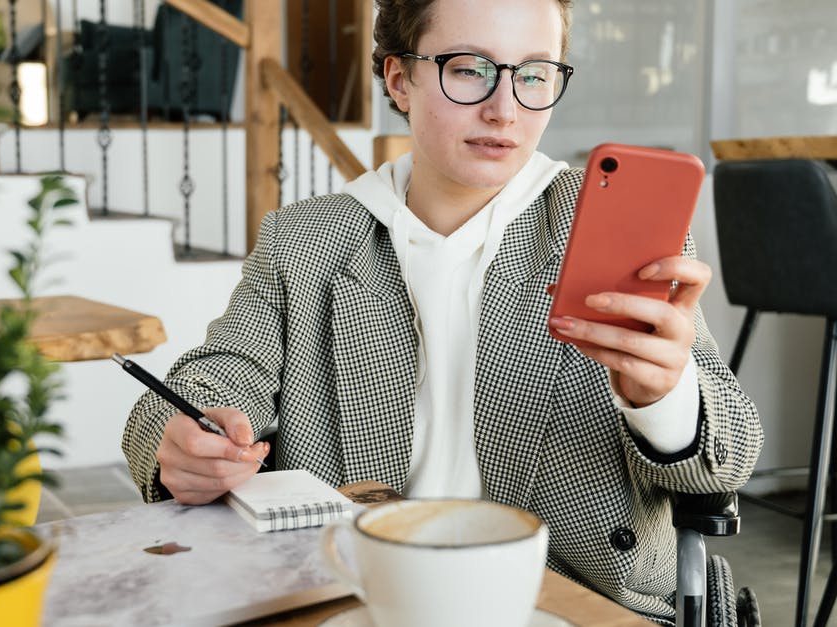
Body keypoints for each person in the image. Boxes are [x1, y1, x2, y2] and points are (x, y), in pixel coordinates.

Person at [122, 0, 762, 620]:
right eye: (467, 68)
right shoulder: (305, 241)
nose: (504, 109)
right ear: (399, 80)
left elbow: (729, 459)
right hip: (362, 593)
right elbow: (213, 378)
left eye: (534, 74)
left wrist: (664, 400)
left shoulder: (613, 230)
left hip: (573, 599)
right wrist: (179, 441)